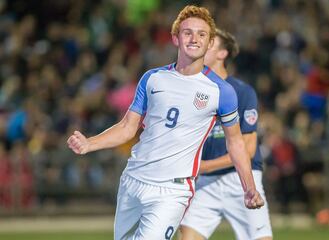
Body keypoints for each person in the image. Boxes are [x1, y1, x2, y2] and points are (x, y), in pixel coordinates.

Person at [67, 5, 264, 240]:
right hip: (133, 179)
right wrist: (90, 143)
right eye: (187, 32)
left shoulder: (222, 92)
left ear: (211, 42)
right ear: (175, 38)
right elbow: (127, 127)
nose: (194, 39)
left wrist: (249, 187)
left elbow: (236, 143)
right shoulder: (152, 78)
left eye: (202, 34)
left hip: (173, 189)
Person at [180, 29, 273, 240]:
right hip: (205, 183)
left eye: (210, 43)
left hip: (239, 179)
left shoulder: (242, 92)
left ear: (223, 54)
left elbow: (248, 150)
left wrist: (200, 166)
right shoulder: (191, 91)